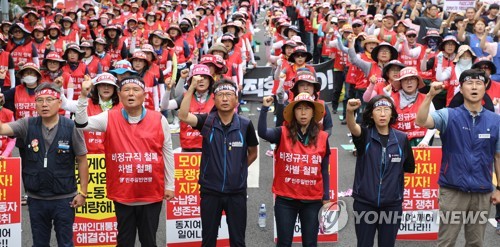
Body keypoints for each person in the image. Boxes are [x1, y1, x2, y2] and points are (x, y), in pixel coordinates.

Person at [75, 75, 175, 246]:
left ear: (144, 95)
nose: (131, 94)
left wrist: (170, 185)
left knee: (149, 241)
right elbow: (81, 123)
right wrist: (83, 96)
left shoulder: (159, 119)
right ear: (119, 95)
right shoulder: (109, 117)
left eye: (136, 90)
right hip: (123, 194)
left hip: (151, 193)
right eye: (126, 90)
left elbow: (167, 153)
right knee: (124, 241)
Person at [416, 69, 500, 246]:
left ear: (485, 88)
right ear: (461, 89)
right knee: (446, 242)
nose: (474, 87)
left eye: (479, 83)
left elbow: (498, 157)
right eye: (469, 83)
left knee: (476, 243)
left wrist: (499, 188)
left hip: (482, 190)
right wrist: (430, 95)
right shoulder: (449, 115)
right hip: (452, 189)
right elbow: (421, 121)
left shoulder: (495, 121)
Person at [0, 83, 89, 246]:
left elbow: (82, 160)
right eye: (39, 100)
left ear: (59, 103)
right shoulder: (27, 124)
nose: (44, 104)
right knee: (39, 243)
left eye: (49, 100)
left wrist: (83, 193)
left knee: (66, 243)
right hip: (36, 198)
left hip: (64, 198)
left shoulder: (71, 126)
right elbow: (2, 129)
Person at [178, 78, 258, 247]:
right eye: (220, 94)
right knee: (208, 240)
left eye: (229, 94)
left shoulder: (245, 124)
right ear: (214, 99)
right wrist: (192, 87)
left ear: (236, 100)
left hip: (236, 193)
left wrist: (237, 169)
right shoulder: (207, 121)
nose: (225, 98)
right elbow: (183, 116)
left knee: (238, 241)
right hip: (210, 191)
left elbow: (253, 153)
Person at [258, 93, 330, 246]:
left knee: (310, 243)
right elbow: (263, 133)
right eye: (299, 109)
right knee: (284, 243)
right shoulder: (282, 132)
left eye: (307, 109)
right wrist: (264, 108)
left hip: (312, 200)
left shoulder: (323, 137)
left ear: (313, 113)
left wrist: (326, 197)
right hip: (286, 200)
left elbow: (324, 169)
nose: (303, 113)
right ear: (293, 113)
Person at [346, 95, 415, 247]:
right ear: (371, 114)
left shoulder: (402, 139)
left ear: (392, 114)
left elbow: (409, 167)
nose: (382, 114)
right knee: (364, 244)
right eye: (378, 110)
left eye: (386, 110)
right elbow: (353, 128)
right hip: (365, 203)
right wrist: (350, 112)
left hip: (392, 205)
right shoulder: (365, 135)